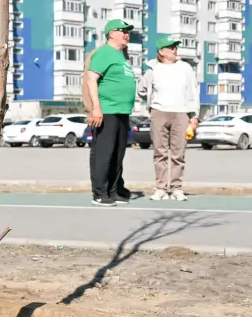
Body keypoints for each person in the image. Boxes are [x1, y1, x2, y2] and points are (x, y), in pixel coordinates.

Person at [138, 36, 200, 202]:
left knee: (178, 153)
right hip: (159, 113)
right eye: (171, 47)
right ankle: (161, 188)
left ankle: (176, 188)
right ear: (161, 51)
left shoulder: (185, 68)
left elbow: (194, 92)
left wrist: (194, 117)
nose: (175, 49)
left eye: (175, 46)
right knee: (160, 153)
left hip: (181, 113)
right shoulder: (152, 69)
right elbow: (141, 90)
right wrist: (151, 103)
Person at [85, 19, 137, 207]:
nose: (126, 34)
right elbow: (91, 79)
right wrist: (96, 108)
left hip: (122, 111)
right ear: (111, 33)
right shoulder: (104, 53)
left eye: (127, 31)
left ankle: (113, 191)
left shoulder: (121, 56)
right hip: (107, 111)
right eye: (122, 31)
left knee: (118, 154)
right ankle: (99, 193)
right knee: (104, 154)